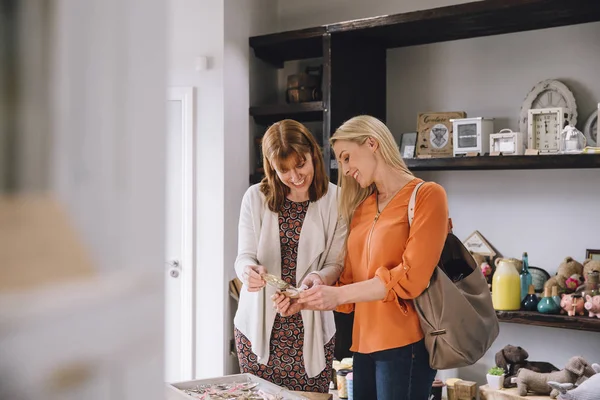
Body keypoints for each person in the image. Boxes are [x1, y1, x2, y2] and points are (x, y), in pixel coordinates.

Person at [291, 115, 449, 400]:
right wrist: (303, 298)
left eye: (348, 157)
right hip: (362, 347)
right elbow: (349, 285)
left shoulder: (427, 195)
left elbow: (411, 278)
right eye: (342, 161)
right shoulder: (363, 207)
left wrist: (337, 295)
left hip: (406, 345)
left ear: (372, 143)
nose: (347, 169)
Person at [233, 119, 347, 393]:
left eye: (300, 164)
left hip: (311, 326)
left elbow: (336, 263)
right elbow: (243, 257)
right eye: (283, 170)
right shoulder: (254, 197)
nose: (295, 176)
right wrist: (249, 272)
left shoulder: (337, 200)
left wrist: (317, 278)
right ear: (271, 167)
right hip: (258, 328)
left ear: (313, 155)